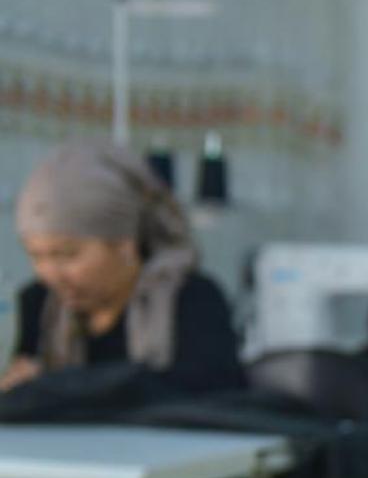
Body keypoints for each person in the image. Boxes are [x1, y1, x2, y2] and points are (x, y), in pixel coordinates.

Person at [3, 141, 243, 396]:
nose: (49, 273)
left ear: (124, 245)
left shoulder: (193, 301)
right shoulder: (37, 305)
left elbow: (211, 397)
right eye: (36, 256)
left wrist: (54, 387)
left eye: (66, 255)